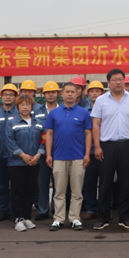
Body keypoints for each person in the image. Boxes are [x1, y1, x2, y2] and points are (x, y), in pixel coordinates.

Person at [91, 69, 129, 230]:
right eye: (114, 79)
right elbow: (96, 124)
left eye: (120, 79)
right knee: (105, 182)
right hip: (106, 146)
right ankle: (103, 217)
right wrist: (97, 146)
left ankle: (124, 217)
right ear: (108, 83)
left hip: (127, 145)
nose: (118, 82)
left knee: (125, 182)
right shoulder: (101, 100)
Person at [44, 82, 92, 231]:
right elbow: (49, 134)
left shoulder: (84, 113)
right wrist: (48, 154)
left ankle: (74, 218)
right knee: (59, 191)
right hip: (58, 157)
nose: (70, 94)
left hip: (78, 157)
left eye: (73, 91)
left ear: (77, 94)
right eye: (67, 92)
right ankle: (58, 219)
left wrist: (87, 154)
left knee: (77, 191)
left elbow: (88, 134)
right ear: (62, 94)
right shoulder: (54, 113)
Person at [4, 94, 45, 231]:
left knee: (29, 191)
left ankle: (27, 218)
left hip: (34, 162)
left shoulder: (38, 123)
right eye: (22, 105)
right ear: (18, 107)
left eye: (28, 104)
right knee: (18, 191)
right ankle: (18, 219)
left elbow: (44, 140)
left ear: (32, 106)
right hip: (17, 164)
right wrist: (22, 155)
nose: (25, 107)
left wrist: (38, 155)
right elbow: (9, 141)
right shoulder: (12, 123)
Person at [0, 84, 19, 223]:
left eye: (11, 95)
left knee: (16, 186)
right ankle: (4, 210)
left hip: (15, 156)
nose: (8, 97)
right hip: (0, 155)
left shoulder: (19, 113)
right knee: (1, 185)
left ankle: (15, 211)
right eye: (5, 94)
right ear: (1, 97)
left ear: (15, 97)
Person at [35, 81, 61, 221]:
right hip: (41, 152)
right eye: (48, 92)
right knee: (42, 183)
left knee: (59, 183)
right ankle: (43, 210)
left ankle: (57, 210)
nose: (51, 95)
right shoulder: (37, 111)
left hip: (59, 151)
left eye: (53, 92)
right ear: (44, 94)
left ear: (58, 94)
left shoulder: (63, 110)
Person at [82, 80, 105, 221]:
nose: (95, 93)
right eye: (92, 91)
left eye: (98, 91)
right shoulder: (83, 111)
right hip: (88, 152)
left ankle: (106, 209)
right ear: (88, 93)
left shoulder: (107, 109)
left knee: (106, 182)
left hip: (105, 150)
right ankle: (91, 209)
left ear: (103, 93)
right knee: (89, 182)